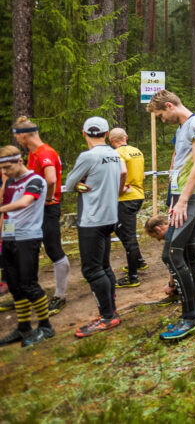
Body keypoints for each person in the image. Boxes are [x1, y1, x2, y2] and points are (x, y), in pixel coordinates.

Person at [147, 90, 195, 341]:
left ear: (169, 105)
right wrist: (175, 200)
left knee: (171, 253)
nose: (162, 120)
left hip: (194, 196)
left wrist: (184, 200)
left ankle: (189, 317)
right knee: (189, 255)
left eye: (161, 115)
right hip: (183, 196)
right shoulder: (183, 128)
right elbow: (181, 166)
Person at [64, 117, 126, 338]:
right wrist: (111, 192)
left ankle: (108, 316)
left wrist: (82, 185)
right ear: (107, 133)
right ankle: (111, 309)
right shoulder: (114, 153)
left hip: (92, 219)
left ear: (84, 133)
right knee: (104, 266)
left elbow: (70, 184)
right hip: (109, 215)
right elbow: (122, 174)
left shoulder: (87, 156)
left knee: (92, 269)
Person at [11, 118, 71, 314]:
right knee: (27, 247)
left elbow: (51, 178)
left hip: (47, 208)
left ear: (23, 135)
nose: (17, 141)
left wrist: (47, 198)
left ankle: (60, 295)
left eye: (17, 137)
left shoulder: (44, 152)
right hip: (38, 208)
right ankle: (28, 291)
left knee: (53, 250)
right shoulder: (34, 152)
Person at [0, 146, 54, 347]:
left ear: (20, 161)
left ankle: (46, 326)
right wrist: (6, 182)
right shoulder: (10, 182)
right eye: (1, 169)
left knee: (29, 284)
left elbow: (25, 202)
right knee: (15, 286)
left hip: (27, 238)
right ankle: (23, 327)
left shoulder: (36, 180)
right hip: (8, 237)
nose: (5, 172)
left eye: (7, 167)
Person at [108, 128, 146, 288]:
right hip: (138, 195)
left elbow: (122, 173)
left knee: (128, 235)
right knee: (120, 229)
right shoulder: (137, 151)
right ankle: (138, 261)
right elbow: (142, 175)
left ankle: (133, 277)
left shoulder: (117, 154)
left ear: (111, 141)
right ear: (126, 137)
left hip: (125, 198)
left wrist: (119, 189)